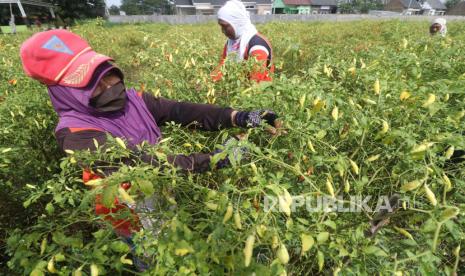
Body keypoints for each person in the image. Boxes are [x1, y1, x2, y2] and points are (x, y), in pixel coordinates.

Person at [20, 29, 281, 270]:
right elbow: (146, 165)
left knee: (177, 247)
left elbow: (181, 111)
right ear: (65, 92)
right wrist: (218, 160)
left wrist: (246, 117)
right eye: (94, 83)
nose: (109, 85)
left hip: (163, 192)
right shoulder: (76, 134)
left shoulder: (132, 100)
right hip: (131, 217)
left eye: (106, 73)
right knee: (157, 261)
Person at [211, 0, 274, 83]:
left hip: (259, 92)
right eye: (221, 26)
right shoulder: (231, 43)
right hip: (239, 87)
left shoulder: (257, 46)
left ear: (237, 23)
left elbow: (256, 82)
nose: (222, 31)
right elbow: (223, 65)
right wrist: (208, 81)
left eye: (225, 26)